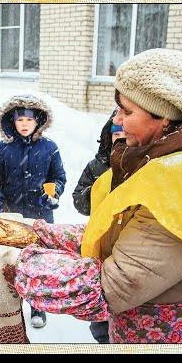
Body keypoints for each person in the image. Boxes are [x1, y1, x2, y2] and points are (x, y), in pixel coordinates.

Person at [14, 48, 182, 344]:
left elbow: (110, 287)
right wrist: (37, 234)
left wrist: (15, 262)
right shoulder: (160, 162)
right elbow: (122, 235)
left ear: (164, 117)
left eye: (127, 111)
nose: (117, 121)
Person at [0, 94, 67, 328]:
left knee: (38, 263)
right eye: (19, 119)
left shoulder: (49, 148)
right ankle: (10, 309)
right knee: (12, 262)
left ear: (38, 121)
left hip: (41, 215)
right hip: (12, 216)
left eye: (29, 120)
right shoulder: (2, 149)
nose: (24, 124)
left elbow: (58, 177)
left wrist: (53, 194)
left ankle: (37, 308)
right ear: (12, 121)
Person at [72, 111, 126, 343]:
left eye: (125, 132)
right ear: (108, 136)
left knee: (123, 289)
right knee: (102, 292)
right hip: (101, 241)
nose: (121, 137)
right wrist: (99, 192)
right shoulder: (98, 166)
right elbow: (79, 199)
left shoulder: (143, 163)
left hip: (127, 240)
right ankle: (102, 333)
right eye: (117, 133)